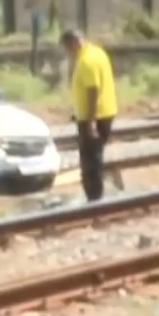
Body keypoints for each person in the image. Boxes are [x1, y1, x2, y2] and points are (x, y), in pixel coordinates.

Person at [61, 29, 118, 202]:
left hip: (94, 116)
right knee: (94, 156)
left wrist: (91, 121)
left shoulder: (86, 61)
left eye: (67, 48)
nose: (68, 52)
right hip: (102, 113)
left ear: (72, 43)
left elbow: (93, 90)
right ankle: (96, 195)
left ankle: (94, 198)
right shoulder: (97, 52)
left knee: (90, 160)